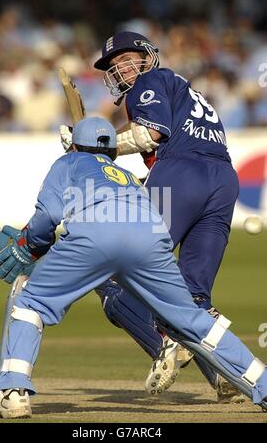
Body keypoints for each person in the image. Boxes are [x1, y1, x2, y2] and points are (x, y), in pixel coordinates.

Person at [0, 117, 267, 418]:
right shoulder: (126, 174)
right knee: (194, 322)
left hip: (94, 233)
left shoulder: (66, 164)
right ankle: (263, 384)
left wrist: (31, 247)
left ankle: (13, 393)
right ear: (113, 152)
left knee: (31, 302)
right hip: (149, 237)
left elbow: (46, 219)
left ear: (74, 145)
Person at [91, 30, 241, 401]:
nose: (121, 70)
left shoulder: (152, 80)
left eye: (126, 60)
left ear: (146, 57)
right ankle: (228, 374)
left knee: (113, 270)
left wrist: (96, 145)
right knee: (193, 297)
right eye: (114, 66)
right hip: (223, 180)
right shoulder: (188, 90)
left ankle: (165, 340)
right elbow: (176, 151)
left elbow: (150, 135)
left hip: (181, 175)